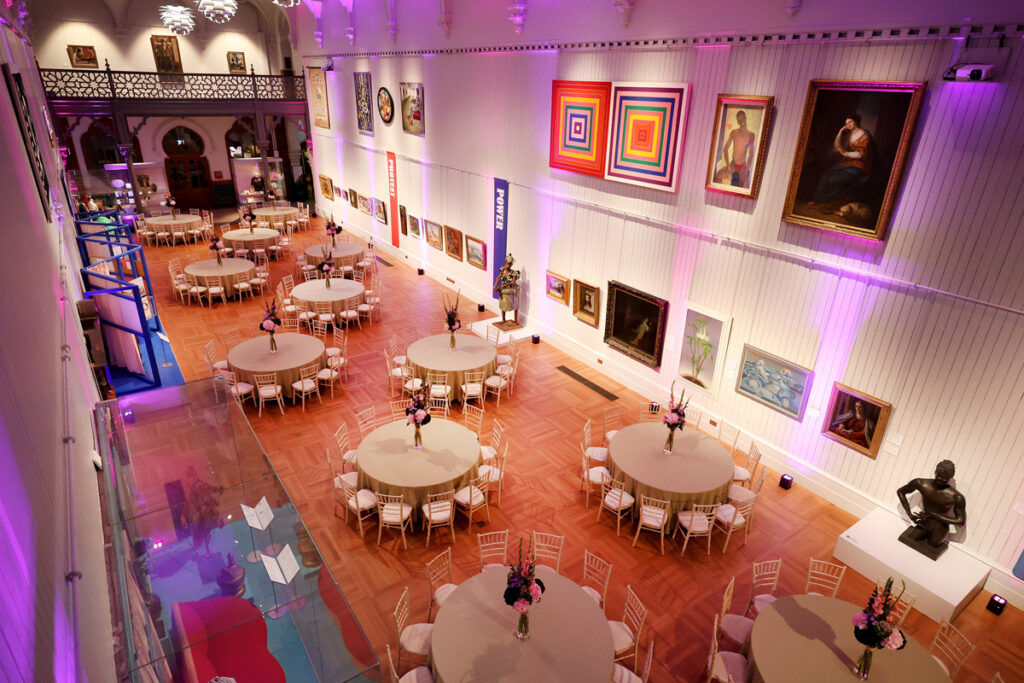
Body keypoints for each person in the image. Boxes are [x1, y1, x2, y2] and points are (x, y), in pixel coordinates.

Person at [897, 460, 966, 552]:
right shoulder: (921, 483)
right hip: (924, 522)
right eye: (938, 477)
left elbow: (961, 522)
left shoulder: (956, 496)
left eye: (944, 480)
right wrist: (909, 514)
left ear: (950, 477)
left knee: (932, 546)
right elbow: (901, 491)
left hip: (940, 528)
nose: (940, 482)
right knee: (912, 539)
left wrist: (936, 516)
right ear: (935, 472)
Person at [809, 114, 874, 206]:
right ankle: (817, 199)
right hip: (846, 163)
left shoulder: (865, 136)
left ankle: (826, 201)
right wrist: (839, 132)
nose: (848, 125)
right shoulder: (848, 135)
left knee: (835, 179)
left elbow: (861, 154)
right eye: (846, 123)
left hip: (859, 165)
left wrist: (846, 153)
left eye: (850, 122)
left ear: (856, 121)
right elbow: (837, 147)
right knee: (825, 176)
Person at [722, 109, 756, 188]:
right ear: (737, 121)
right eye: (739, 119)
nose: (741, 120)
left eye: (742, 118)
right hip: (734, 165)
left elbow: (751, 154)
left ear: (745, 118)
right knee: (733, 190)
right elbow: (725, 149)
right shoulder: (734, 132)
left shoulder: (751, 135)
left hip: (743, 166)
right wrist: (728, 165)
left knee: (745, 189)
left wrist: (747, 168)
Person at [493, 254, 521, 323]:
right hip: (503, 291)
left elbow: (513, 282)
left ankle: (516, 321)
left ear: (511, 264)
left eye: (510, 264)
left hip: (511, 290)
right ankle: (503, 320)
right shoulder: (502, 270)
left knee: (515, 307)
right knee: (503, 306)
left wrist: (504, 286)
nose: (508, 265)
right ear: (505, 263)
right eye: (507, 263)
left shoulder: (514, 273)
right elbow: (498, 278)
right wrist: (495, 286)